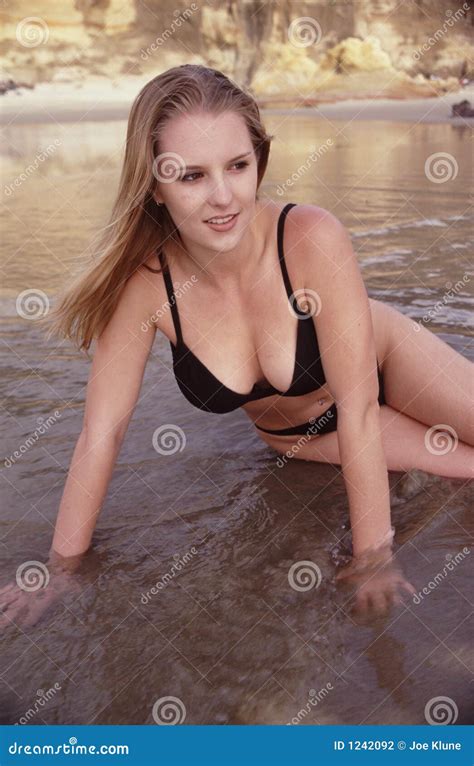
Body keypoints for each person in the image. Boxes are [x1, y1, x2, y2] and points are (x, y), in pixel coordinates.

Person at [1, 64, 473, 627]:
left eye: (238, 166)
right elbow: (101, 435)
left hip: (385, 367)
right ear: (153, 184)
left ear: (260, 163)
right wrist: (60, 569)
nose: (223, 197)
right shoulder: (147, 286)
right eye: (192, 176)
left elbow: (360, 408)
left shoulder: (309, 237)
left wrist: (372, 558)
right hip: (300, 435)